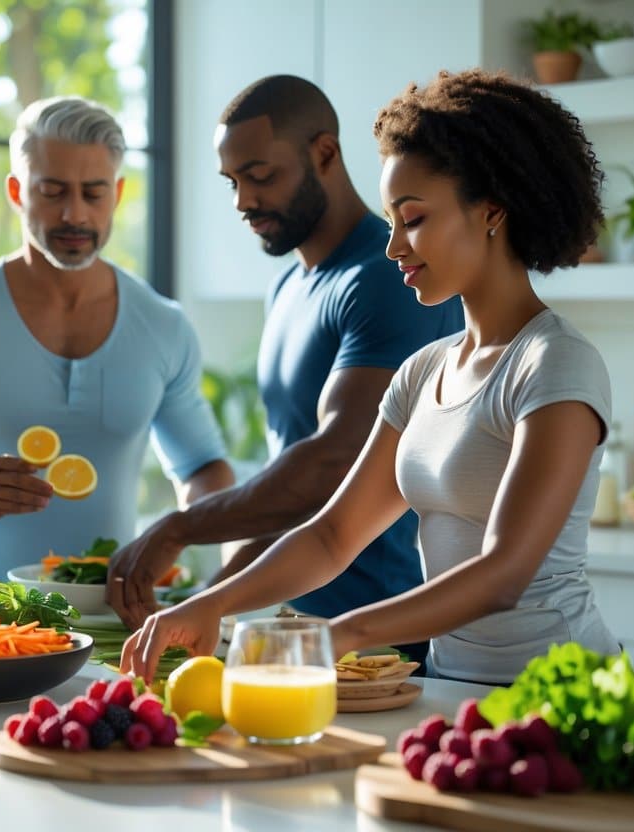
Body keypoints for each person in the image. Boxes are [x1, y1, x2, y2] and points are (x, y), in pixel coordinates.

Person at [122, 68, 621, 686]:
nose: (393, 247)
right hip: (448, 685)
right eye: (389, 221)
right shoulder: (423, 371)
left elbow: (503, 573)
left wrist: (342, 633)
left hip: (561, 689)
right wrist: (212, 603)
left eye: (412, 219)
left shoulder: (555, 363)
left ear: (491, 211)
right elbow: (333, 535)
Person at [107, 76, 464, 665]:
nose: (243, 201)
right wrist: (208, 599)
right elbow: (289, 483)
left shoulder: (387, 278)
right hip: (299, 629)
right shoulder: (289, 287)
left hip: (382, 640)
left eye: (261, 175)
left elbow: (332, 461)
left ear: (324, 153)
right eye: (233, 181)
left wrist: (178, 528)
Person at [0, 96, 234, 595]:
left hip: (114, 633)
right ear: (16, 191)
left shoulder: (163, 325)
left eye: (93, 193)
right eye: (52, 191)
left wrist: (185, 542)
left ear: (117, 194)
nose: (75, 213)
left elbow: (203, 466)